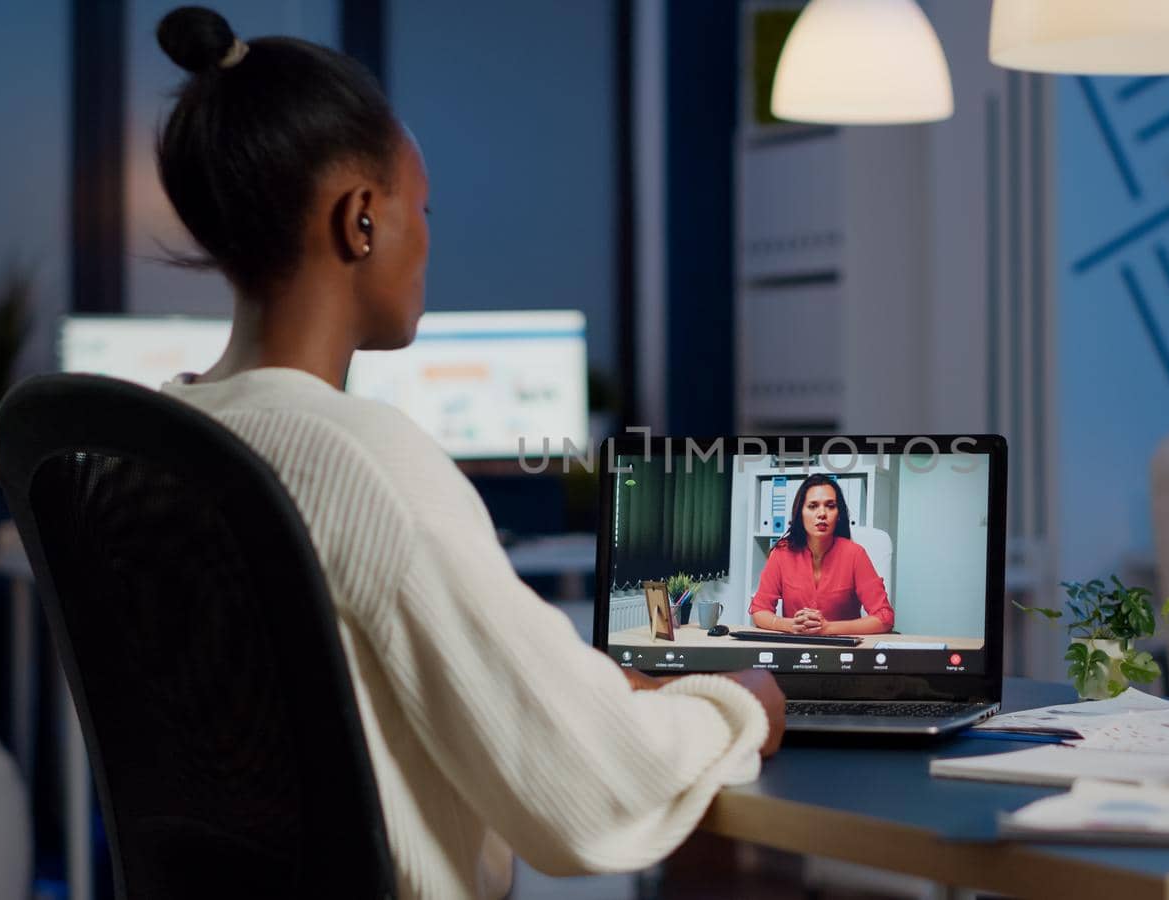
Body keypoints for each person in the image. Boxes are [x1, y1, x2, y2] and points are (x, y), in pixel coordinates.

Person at [147, 8, 784, 898]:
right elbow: (586, 797)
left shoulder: (164, 439)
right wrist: (742, 705)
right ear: (362, 219)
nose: (429, 238)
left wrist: (599, 690)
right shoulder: (361, 459)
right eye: (423, 208)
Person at [748, 474, 895, 635]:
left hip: (843, 651)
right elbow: (759, 611)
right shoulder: (781, 554)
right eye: (812, 506)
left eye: (830, 506)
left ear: (839, 514)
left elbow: (885, 617)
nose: (822, 513)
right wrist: (789, 625)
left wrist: (827, 628)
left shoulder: (855, 554)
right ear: (800, 513)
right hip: (795, 649)